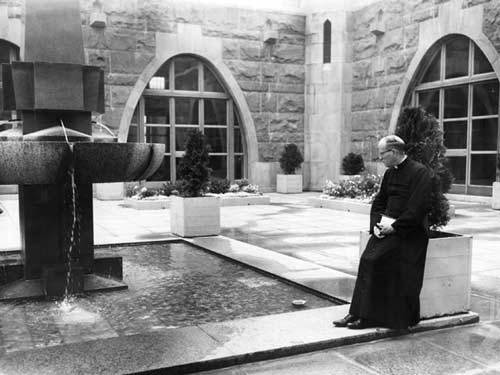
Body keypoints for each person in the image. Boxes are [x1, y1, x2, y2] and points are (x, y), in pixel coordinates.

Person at [333, 135, 432, 330]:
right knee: (366, 259)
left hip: (409, 232)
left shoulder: (420, 172)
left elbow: (417, 208)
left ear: (394, 152)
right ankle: (356, 312)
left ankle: (369, 316)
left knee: (376, 261)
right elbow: (379, 202)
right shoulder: (389, 173)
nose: (381, 159)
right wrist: (376, 226)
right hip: (387, 228)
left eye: (382, 154)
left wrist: (394, 227)